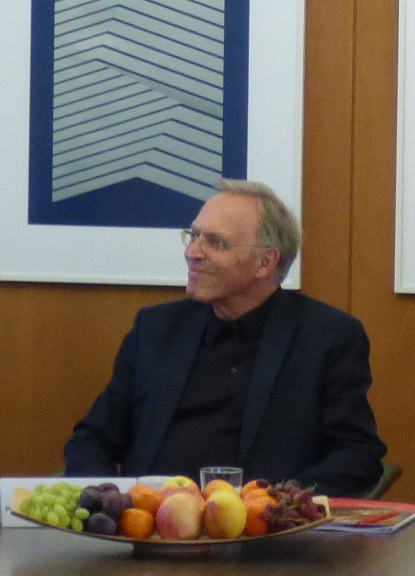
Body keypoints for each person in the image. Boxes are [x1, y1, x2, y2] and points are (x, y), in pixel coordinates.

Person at [63, 180, 384, 491]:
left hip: (263, 522)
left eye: (215, 242)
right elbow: (92, 438)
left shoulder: (327, 336)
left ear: (265, 262)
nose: (193, 252)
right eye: (194, 235)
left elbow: (357, 455)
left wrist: (278, 503)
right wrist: (110, 500)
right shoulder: (155, 329)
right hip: (150, 518)